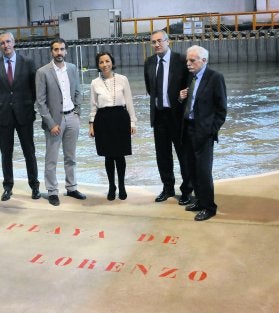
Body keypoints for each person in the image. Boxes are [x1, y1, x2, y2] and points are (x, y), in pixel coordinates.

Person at [0, 31, 41, 201]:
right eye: (2, 43)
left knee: (29, 152)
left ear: (14, 42)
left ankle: (34, 186)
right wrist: (6, 103)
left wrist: (25, 103)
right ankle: (7, 186)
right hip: (4, 115)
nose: (6, 45)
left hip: (24, 114)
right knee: (6, 153)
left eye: (8, 42)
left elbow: (34, 89)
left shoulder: (28, 62)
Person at [35, 37, 87, 206]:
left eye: (62, 49)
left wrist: (77, 112)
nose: (59, 53)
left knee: (71, 157)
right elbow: (40, 102)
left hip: (72, 117)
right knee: (51, 159)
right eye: (56, 50)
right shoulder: (43, 72)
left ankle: (71, 188)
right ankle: (52, 191)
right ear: (52, 52)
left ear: (66, 51)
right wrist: (51, 123)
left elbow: (79, 91)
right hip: (54, 122)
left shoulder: (72, 68)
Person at [143, 30, 193, 205]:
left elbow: (190, 87)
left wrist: (180, 99)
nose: (156, 45)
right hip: (159, 116)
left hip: (178, 116)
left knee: (183, 154)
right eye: (153, 42)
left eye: (159, 41)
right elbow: (150, 89)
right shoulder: (149, 63)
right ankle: (168, 188)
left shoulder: (181, 60)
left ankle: (187, 190)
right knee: (162, 155)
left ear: (168, 41)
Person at [179, 45, 227, 221]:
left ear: (203, 60)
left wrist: (210, 131)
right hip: (188, 129)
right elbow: (189, 103)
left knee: (204, 171)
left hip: (204, 133)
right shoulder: (191, 78)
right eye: (187, 61)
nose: (188, 64)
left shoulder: (215, 78)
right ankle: (199, 200)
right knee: (192, 168)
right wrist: (180, 98)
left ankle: (209, 207)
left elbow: (222, 109)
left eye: (192, 60)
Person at [88, 52, 137, 201]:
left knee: (120, 155)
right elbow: (93, 105)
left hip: (120, 118)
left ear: (112, 62)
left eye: (107, 61)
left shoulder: (123, 79)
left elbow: (129, 101)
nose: (105, 64)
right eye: (101, 62)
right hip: (102, 120)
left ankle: (122, 185)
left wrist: (132, 122)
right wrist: (91, 124)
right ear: (98, 65)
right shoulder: (94, 82)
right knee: (108, 156)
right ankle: (111, 186)